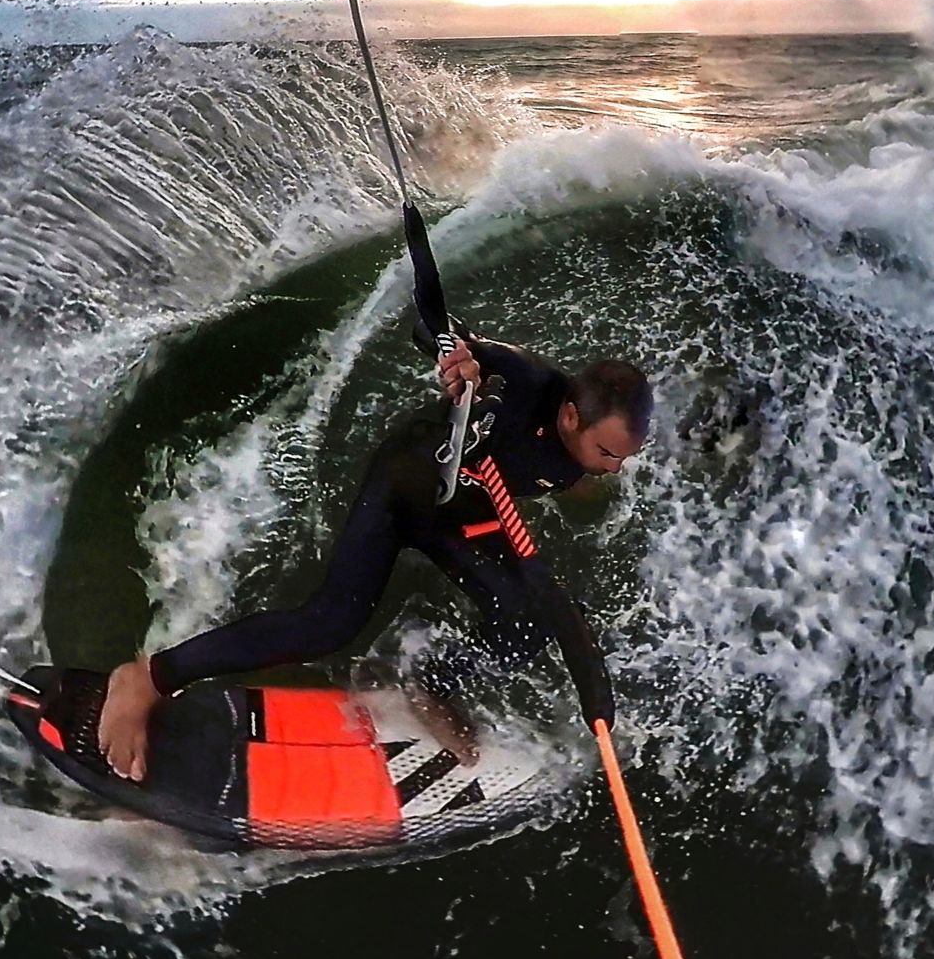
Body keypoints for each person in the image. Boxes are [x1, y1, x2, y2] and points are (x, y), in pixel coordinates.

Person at [97, 329, 652, 781]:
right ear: (571, 416)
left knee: (532, 620)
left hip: (460, 516)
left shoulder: (580, 455)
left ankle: (431, 683)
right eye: (607, 452)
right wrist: (460, 362)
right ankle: (149, 677)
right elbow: (441, 334)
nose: (612, 468)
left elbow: (558, 471)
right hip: (405, 487)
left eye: (622, 458)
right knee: (329, 624)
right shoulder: (523, 381)